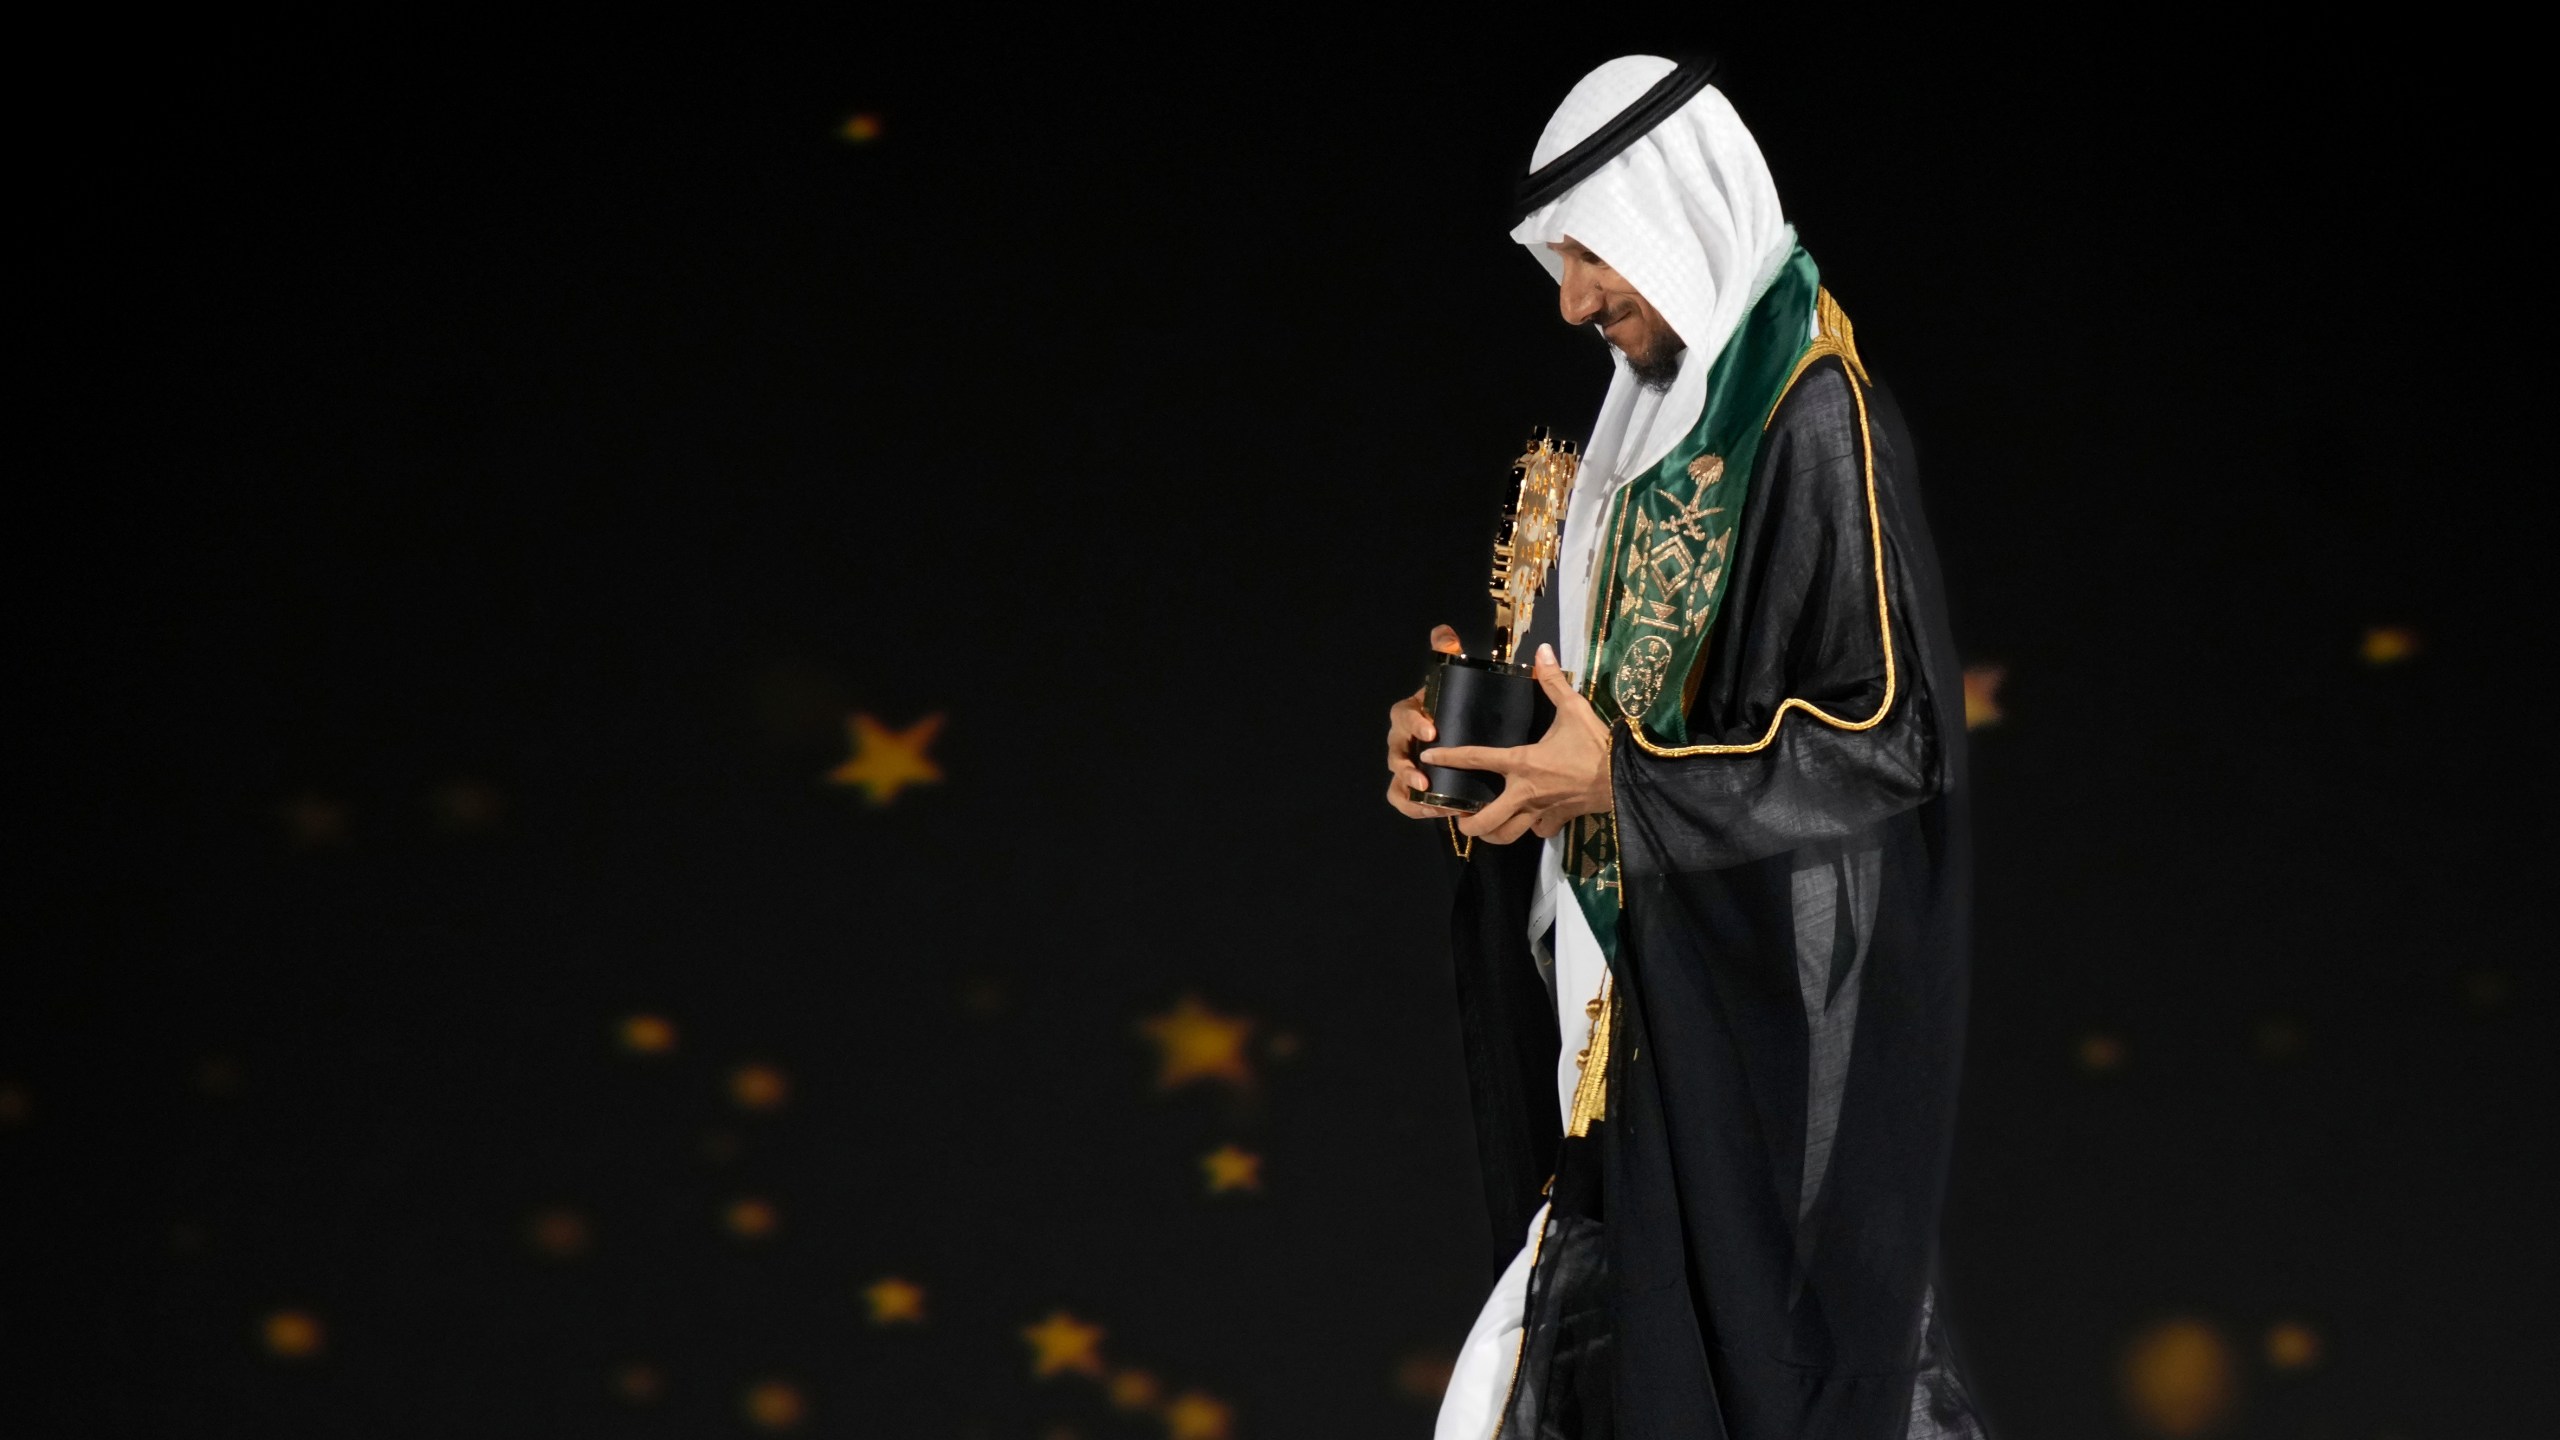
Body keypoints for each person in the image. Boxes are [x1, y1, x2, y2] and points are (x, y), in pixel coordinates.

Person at [1383, 56, 1990, 1438]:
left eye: (1595, 254)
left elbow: (1890, 742)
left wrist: (1622, 788)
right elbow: (1601, 689)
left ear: (1678, 218)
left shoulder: (1816, 419)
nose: (1574, 299)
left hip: (1748, 1047)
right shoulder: (1632, 425)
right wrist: (1468, 746)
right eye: (1562, 260)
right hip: (1619, 1019)